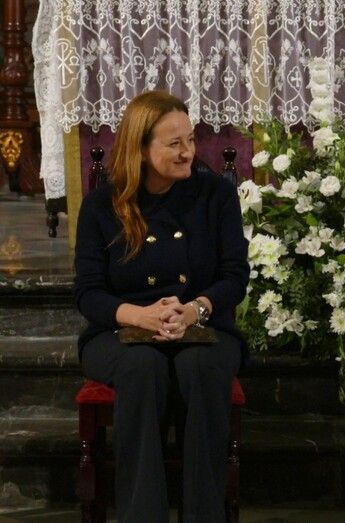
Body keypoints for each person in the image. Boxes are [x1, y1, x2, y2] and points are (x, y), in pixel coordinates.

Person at [74, 91, 249, 522]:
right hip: (120, 330)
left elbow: (234, 276)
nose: (188, 152)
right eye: (175, 143)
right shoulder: (101, 205)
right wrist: (140, 316)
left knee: (200, 367)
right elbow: (89, 293)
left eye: (190, 139)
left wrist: (194, 310)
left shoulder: (216, 195)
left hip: (204, 324)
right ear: (140, 147)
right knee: (141, 367)